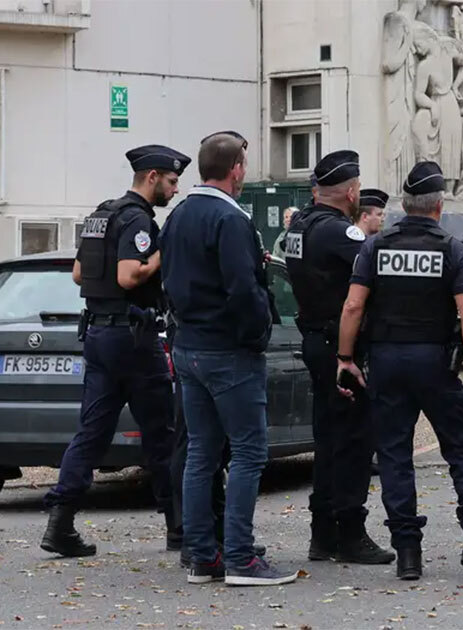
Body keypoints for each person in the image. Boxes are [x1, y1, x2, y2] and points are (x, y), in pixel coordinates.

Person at [336, 161, 463, 581]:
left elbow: (354, 306)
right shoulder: (453, 250)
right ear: (438, 206)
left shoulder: (374, 247)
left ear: (405, 204)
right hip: (434, 363)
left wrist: (344, 358)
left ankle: (408, 551)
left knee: (394, 454)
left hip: (387, 362)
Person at [160, 132, 297, 586]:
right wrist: (257, 334)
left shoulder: (177, 215)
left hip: (188, 345)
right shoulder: (230, 218)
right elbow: (244, 290)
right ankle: (241, 557)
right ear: (236, 168)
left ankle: (203, 556)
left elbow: (171, 277)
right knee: (249, 452)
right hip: (228, 350)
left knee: (201, 453)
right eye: (244, 165)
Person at [40, 145, 189, 558]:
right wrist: (163, 251)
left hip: (99, 337)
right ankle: (178, 527)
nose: (175, 190)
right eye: (173, 181)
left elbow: (77, 273)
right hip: (133, 339)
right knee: (161, 434)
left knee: (91, 432)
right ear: (153, 176)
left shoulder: (101, 214)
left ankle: (61, 522)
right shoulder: (139, 219)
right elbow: (129, 275)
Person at [284, 151, 395, 565]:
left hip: (315, 338)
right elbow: (377, 273)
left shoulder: (300, 226)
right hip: (339, 346)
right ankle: (349, 532)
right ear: (351, 192)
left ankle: (322, 534)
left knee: (328, 439)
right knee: (352, 440)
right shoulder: (338, 233)